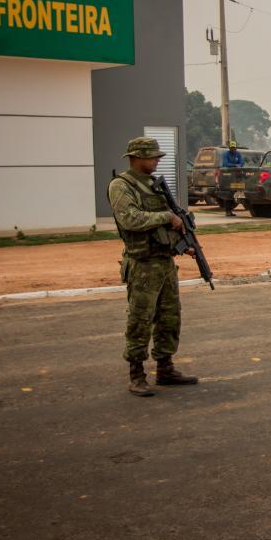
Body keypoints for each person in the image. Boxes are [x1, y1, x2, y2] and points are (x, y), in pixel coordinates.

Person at [108, 137, 199, 397]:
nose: (158, 161)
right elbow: (130, 219)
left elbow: (165, 226)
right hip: (143, 264)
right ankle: (136, 374)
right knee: (140, 319)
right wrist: (167, 217)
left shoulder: (154, 185)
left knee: (170, 317)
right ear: (137, 157)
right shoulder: (121, 186)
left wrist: (184, 243)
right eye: (153, 157)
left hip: (164, 262)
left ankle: (165, 368)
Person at [221, 140, 245, 217]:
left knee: (236, 194)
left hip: (237, 177)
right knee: (228, 194)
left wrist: (238, 165)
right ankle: (227, 211)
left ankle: (231, 211)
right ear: (229, 148)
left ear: (236, 148)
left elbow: (241, 163)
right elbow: (225, 163)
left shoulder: (238, 154)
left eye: (234, 148)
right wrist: (234, 165)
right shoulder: (226, 154)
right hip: (228, 177)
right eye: (231, 148)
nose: (233, 149)